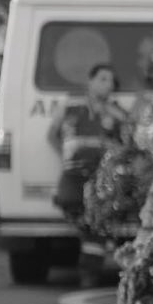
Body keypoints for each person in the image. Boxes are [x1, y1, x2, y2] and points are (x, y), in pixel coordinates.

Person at [47, 61, 125, 222]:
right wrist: (64, 157)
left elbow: (127, 140)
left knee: (98, 222)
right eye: (103, 79)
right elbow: (51, 135)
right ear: (90, 81)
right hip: (73, 177)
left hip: (102, 178)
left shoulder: (116, 112)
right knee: (77, 214)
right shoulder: (69, 105)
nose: (109, 85)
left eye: (111, 81)